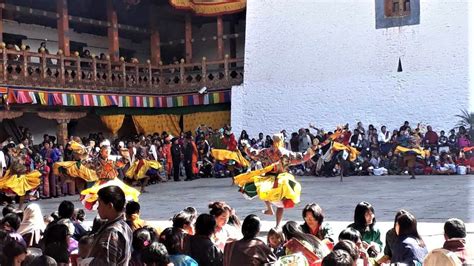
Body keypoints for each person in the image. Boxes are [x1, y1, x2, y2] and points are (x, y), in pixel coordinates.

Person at [235, 133, 319, 227]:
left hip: (268, 179)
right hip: (281, 180)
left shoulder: (265, 152)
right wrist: (312, 149)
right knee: (280, 204)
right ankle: (277, 224)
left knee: (262, 189)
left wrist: (246, 145)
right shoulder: (286, 154)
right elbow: (302, 157)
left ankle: (269, 209)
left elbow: (253, 153)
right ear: (282, 140)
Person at [80, 144, 140, 210]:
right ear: (101, 152)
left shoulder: (113, 159)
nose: (107, 153)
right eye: (105, 151)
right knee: (93, 197)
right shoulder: (95, 161)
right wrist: (86, 154)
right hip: (102, 181)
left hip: (114, 180)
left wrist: (124, 153)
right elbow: (84, 163)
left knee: (123, 195)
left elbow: (123, 161)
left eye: (109, 151)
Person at [85, 186, 133, 265]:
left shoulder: (112, 233)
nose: (97, 208)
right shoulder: (125, 226)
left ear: (110, 206)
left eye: (100, 203)